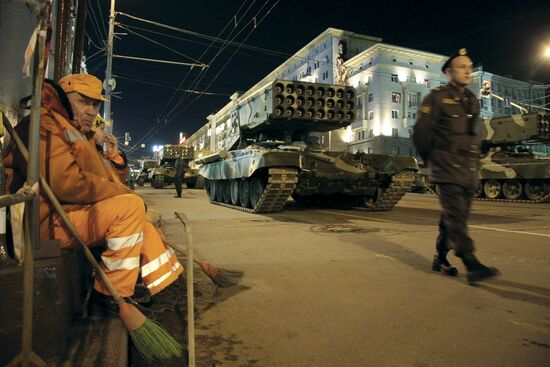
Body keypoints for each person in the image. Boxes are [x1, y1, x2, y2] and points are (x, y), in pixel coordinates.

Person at [5, 73, 185, 311]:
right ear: (64, 98)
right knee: (129, 208)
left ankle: (166, 289)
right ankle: (111, 294)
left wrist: (114, 162)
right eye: (84, 102)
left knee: (142, 224)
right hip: (46, 222)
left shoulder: (72, 129)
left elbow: (99, 177)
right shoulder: (43, 125)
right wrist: (120, 194)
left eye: (96, 104)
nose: (92, 111)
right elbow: (66, 182)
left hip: (68, 215)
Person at [413, 48, 500, 284]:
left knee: (452, 218)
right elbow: (421, 134)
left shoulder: (471, 100)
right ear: (449, 72)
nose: (467, 70)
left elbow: (472, 135)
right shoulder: (436, 98)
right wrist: (433, 161)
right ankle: (472, 264)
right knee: (456, 218)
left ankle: (440, 257)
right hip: (446, 167)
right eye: (462, 66)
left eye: (470, 67)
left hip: (468, 169)